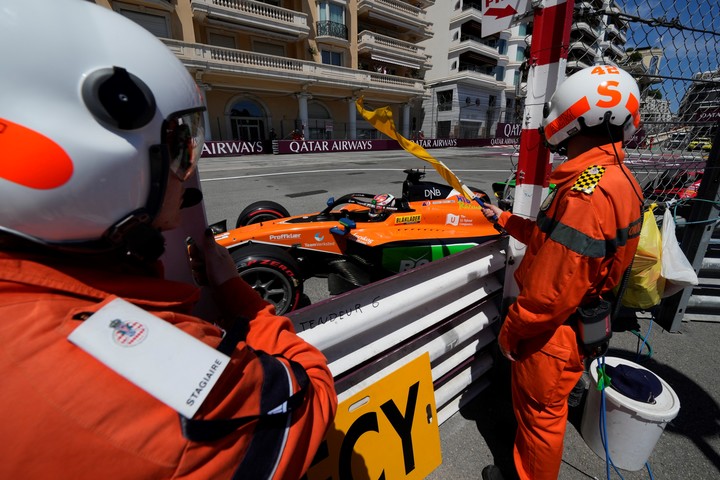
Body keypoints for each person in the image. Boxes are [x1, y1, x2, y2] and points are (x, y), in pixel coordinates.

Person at [0, 1, 336, 479]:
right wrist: (248, 303)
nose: (189, 176)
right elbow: (307, 395)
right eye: (180, 147)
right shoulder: (127, 361)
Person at [479, 65, 644, 480]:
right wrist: (505, 218)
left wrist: (512, 331)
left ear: (573, 117)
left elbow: (550, 293)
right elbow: (554, 241)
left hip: (552, 333)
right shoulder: (618, 178)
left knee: (540, 421)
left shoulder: (587, 193)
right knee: (542, 416)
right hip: (581, 324)